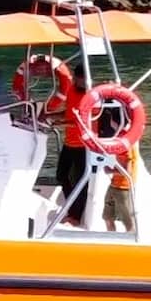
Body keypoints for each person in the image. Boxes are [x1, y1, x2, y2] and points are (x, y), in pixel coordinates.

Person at [55, 65, 89, 222]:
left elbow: (84, 122)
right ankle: (72, 207)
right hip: (69, 143)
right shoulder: (71, 91)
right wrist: (49, 116)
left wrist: (62, 124)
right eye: (76, 78)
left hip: (83, 146)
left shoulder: (91, 97)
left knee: (81, 181)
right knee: (61, 175)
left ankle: (76, 216)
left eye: (80, 78)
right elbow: (67, 112)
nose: (76, 80)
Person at [104, 146, 137, 233]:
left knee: (128, 221)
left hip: (124, 188)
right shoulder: (118, 147)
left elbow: (127, 172)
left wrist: (112, 170)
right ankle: (111, 238)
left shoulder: (128, 148)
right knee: (107, 217)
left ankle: (131, 241)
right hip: (113, 185)